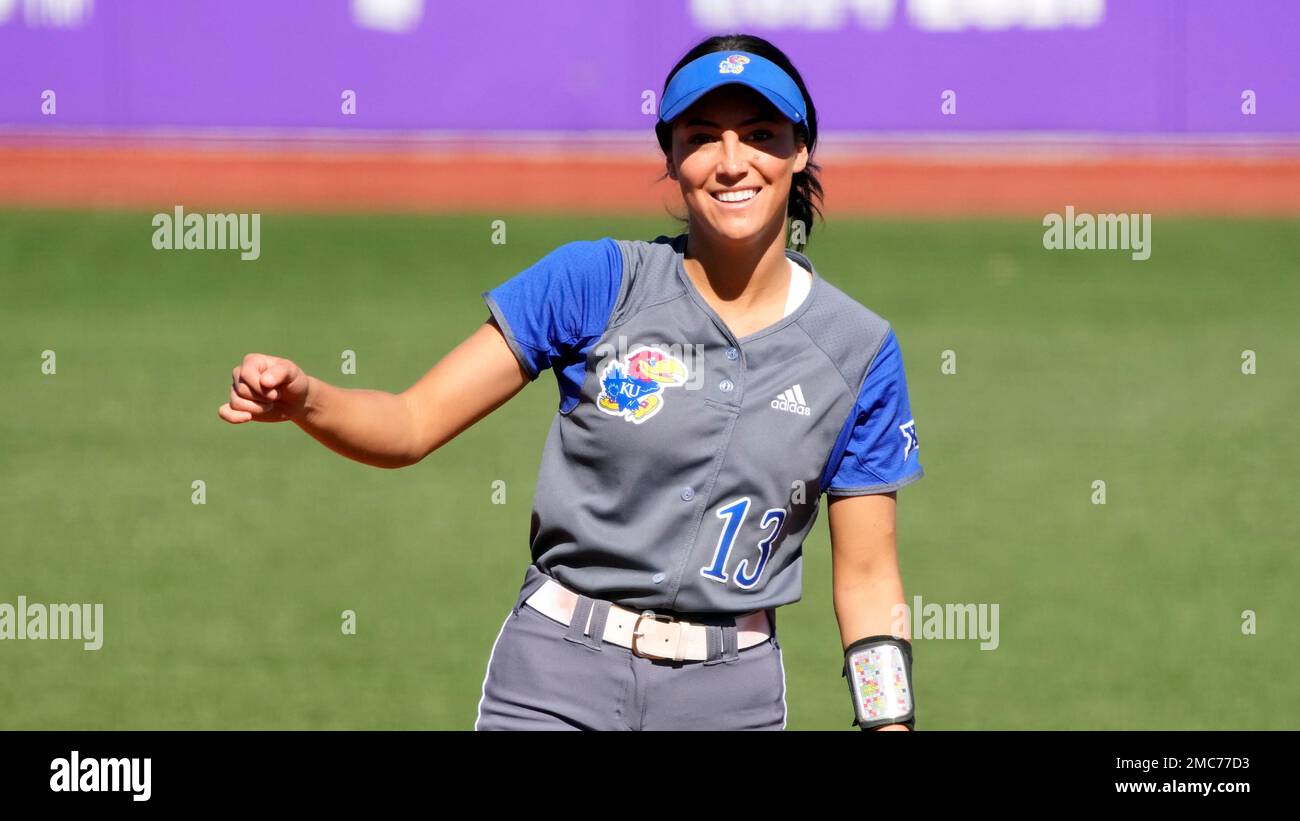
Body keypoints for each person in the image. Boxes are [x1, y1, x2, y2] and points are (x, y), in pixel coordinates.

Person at [217, 33, 922, 731]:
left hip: (730, 700)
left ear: (800, 151)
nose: (732, 162)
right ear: (671, 155)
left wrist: (889, 724)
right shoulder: (595, 283)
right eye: (703, 136)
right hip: (555, 679)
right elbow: (409, 424)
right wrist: (309, 398)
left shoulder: (857, 350)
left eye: (760, 134)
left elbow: (866, 578)